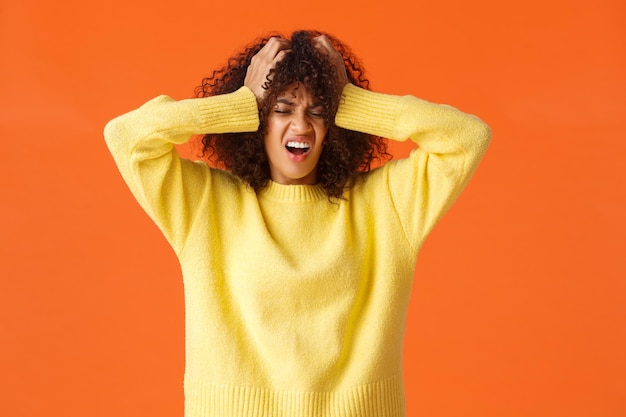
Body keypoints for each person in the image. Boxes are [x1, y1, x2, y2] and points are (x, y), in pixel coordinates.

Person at [104, 30, 491, 417]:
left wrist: (352, 99)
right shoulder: (206, 203)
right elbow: (127, 138)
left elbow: (467, 138)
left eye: (318, 111)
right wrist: (241, 102)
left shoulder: (385, 203)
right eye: (282, 109)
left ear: (335, 124)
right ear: (259, 121)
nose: (301, 126)